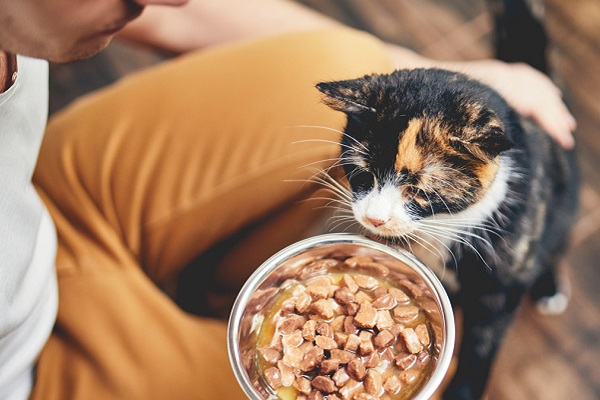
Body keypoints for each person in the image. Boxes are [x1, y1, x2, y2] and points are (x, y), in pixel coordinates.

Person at [0, 0, 576, 399]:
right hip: (26, 365)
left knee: (336, 54)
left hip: (41, 190)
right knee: (345, 371)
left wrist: (435, 83)